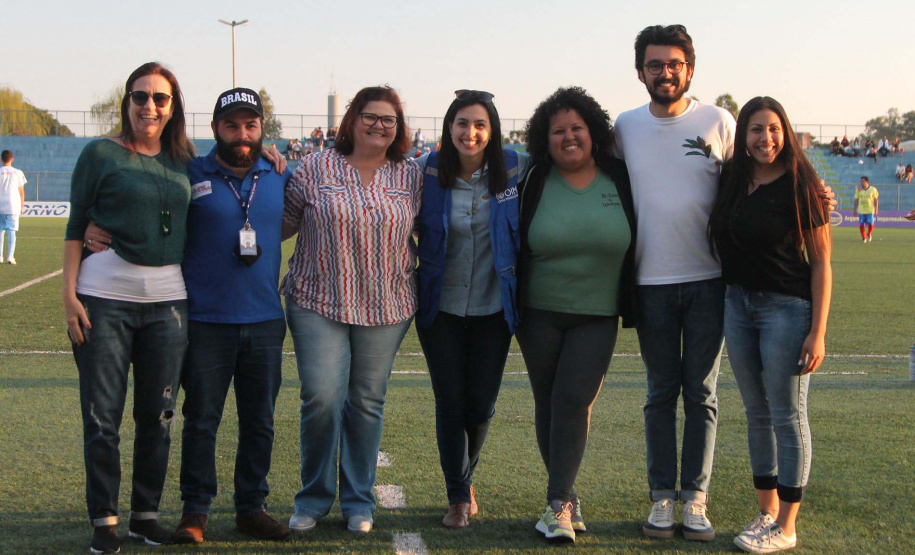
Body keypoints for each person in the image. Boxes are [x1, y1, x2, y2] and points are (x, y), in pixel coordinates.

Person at [63, 61, 195, 554]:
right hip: (103, 300)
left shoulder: (184, 158)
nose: (149, 106)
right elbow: (77, 224)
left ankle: (145, 515)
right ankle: (105, 520)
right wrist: (69, 295)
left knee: (158, 415)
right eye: (140, 96)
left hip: (169, 304)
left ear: (173, 106)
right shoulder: (99, 153)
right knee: (102, 417)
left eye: (160, 98)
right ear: (127, 101)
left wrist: (274, 157)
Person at [282, 86, 421, 535]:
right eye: (371, 116)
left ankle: (359, 501)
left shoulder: (410, 175)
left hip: (386, 305)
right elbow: (279, 223)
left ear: (398, 128)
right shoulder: (315, 167)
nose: (379, 125)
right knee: (321, 398)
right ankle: (314, 498)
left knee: (365, 402)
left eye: (389, 119)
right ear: (352, 119)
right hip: (317, 299)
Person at [613, 24, 733, 541]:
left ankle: (695, 499)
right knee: (660, 393)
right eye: (655, 64)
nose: (665, 73)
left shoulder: (719, 121)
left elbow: (753, 177)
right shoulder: (625, 127)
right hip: (651, 282)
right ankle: (662, 497)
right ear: (640, 71)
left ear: (691, 69)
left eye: (674, 64)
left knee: (701, 394)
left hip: (710, 280)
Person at [708, 96, 832, 554]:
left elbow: (821, 264)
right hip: (737, 305)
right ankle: (765, 513)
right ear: (743, 136)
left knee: (787, 414)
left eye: (774, 129)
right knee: (756, 413)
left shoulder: (802, 183)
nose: (766, 139)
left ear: (786, 132)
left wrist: (817, 331)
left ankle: (787, 525)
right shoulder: (733, 179)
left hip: (787, 308)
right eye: (756, 129)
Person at [516, 86, 637, 543]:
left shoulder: (621, 178)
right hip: (538, 313)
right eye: (558, 131)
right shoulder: (532, 179)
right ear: (544, 140)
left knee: (572, 401)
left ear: (594, 133)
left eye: (577, 129)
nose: (568, 137)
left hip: (598, 314)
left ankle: (557, 504)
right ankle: (564, 499)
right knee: (548, 404)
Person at [414, 90, 529, 530]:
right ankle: (458, 495)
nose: (470, 133)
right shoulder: (425, 170)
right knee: (451, 401)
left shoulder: (516, 168)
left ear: (493, 131)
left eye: (480, 124)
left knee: (480, 403)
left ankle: (466, 478)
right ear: (449, 128)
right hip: (440, 307)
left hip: (494, 308)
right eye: (462, 123)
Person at [0, 150, 26, 264]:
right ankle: (10, 256)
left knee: (0, 230)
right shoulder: (18, 172)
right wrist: (22, 206)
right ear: (12, 159)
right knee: (12, 231)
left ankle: (0, 256)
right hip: (12, 205)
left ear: (1, 159)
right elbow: (21, 191)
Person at [854, 176, 879, 242]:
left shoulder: (873, 189)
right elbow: (856, 200)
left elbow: (876, 200)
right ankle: (864, 238)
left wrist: (876, 208)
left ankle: (869, 233)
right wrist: (854, 210)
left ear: (867, 182)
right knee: (861, 224)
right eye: (861, 181)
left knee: (871, 224)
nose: (861, 182)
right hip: (861, 210)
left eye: (863, 181)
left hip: (870, 210)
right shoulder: (858, 190)